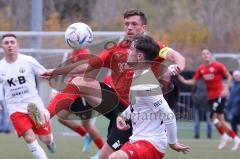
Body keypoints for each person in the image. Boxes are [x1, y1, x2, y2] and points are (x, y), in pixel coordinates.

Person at [32, 9, 185, 159]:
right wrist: (57, 71)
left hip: (136, 116)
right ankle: (46, 115)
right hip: (117, 106)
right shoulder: (117, 49)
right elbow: (88, 65)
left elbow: (174, 55)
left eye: (134, 24)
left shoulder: (151, 48)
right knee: (79, 81)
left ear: (143, 27)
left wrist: (178, 66)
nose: (129, 27)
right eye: (127, 24)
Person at [108, 35, 190, 159]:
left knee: (115, 157)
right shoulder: (139, 77)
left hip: (151, 143)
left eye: (131, 49)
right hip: (138, 139)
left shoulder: (146, 84)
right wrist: (123, 116)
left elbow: (169, 115)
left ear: (140, 56)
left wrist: (173, 143)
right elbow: (137, 105)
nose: (128, 52)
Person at [0, 33, 56, 159]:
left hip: (34, 107)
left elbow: (46, 75)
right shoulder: (1, 67)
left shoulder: (28, 61)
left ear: (17, 45)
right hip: (15, 108)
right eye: (6, 43)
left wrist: (54, 90)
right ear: (2, 46)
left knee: (45, 139)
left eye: (12, 42)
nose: (10, 45)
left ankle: (50, 140)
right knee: (30, 137)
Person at [178, 49, 240, 150]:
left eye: (207, 53)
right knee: (221, 120)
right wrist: (183, 80)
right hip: (211, 97)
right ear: (202, 56)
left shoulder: (218, 66)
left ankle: (225, 137)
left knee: (212, 117)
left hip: (220, 95)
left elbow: (229, 77)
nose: (205, 55)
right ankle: (235, 139)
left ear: (211, 55)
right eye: (203, 54)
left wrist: (226, 89)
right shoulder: (201, 69)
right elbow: (194, 81)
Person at [51, 49, 104, 159]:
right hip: (74, 93)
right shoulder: (73, 53)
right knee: (61, 116)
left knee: (87, 124)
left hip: (83, 94)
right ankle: (85, 136)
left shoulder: (84, 52)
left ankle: (103, 152)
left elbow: (85, 72)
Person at [228, 70, 240, 135]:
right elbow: (231, 98)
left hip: (238, 108)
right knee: (233, 123)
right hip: (234, 109)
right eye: (235, 76)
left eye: (238, 76)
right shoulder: (233, 86)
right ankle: (236, 140)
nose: (237, 77)